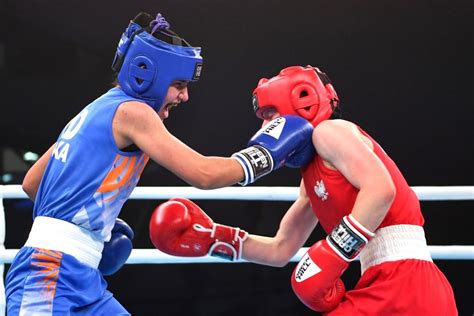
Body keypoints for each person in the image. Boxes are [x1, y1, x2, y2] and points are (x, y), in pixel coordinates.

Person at [5, 12, 317, 315]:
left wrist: (93, 231)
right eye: (179, 84)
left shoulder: (94, 111)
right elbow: (204, 174)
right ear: (147, 74)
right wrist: (269, 151)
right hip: (46, 273)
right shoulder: (134, 112)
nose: (184, 97)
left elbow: (33, 182)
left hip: (83, 278)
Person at [150, 65, 459, 315]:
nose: (265, 127)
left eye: (270, 115)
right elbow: (281, 249)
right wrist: (215, 238)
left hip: (406, 282)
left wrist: (335, 250)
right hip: (386, 283)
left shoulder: (330, 132)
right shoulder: (311, 175)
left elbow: (380, 190)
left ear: (301, 100)